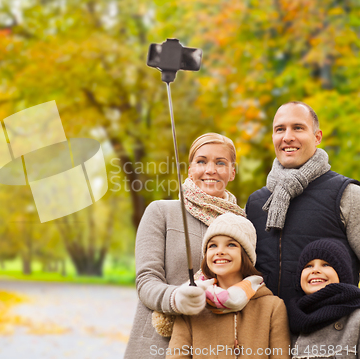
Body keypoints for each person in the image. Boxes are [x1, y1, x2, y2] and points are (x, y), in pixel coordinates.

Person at [124, 133, 246, 359]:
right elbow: (146, 280)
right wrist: (175, 298)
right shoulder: (161, 212)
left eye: (220, 163)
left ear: (232, 172)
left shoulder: (243, 224)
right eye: (201, 161)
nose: (210, 169)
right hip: (159, 345)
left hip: (217, 346)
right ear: (190, 169)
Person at [245, 101, 360, 304]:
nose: (287, 137)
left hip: (330, 329)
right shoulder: (256, 203)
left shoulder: (347, 194)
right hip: (267, 331)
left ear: (317, 137)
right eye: (280, 129)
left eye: (298, 128)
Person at [166, 213, 291, 359]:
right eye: (212, 245)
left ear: (246, 254)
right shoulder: (192, 302)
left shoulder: (272, 307)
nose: (219, 251)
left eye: (231, 244)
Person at [287, 239, 360, 358]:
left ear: (342, 274)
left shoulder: (356, 319)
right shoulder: (290, 319)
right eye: (308, 266)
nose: (315, 270)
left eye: (326, 264)